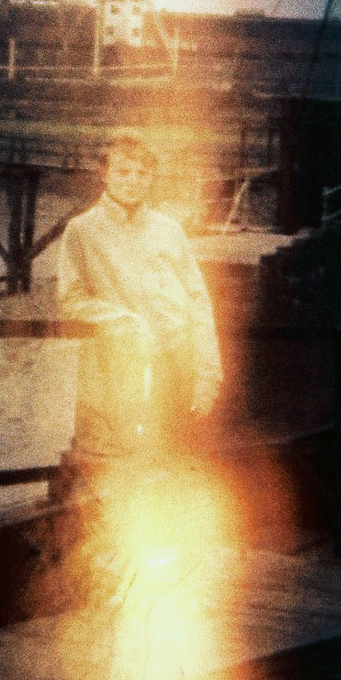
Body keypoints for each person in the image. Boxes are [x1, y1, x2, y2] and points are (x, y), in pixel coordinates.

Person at [57, 129, 222, 485]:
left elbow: (199, 303)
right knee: (115, 477)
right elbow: (70, 300)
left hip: (177, 372)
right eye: (123, 172)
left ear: (152, 177)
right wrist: (124, 319)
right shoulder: (82, 231)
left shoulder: (169, 229)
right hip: (118, 376)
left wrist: (208, 376)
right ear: (105, 173)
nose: (133, 181)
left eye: (142, 173)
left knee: (173, 474)